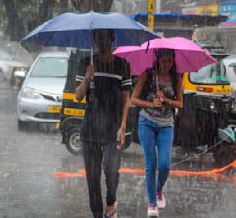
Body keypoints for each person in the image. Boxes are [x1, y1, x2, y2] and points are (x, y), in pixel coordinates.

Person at [75, 29, 131, 218]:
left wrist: (123, 126)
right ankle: (97, 215)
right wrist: (88, 76)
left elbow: (126, 97)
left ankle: (111, 202)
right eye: (99, 38)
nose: (103, 42)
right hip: (90, 129)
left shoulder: (122, 65)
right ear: (95, 40)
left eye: (106, 37)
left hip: (112, 128)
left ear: (113, 39)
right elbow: (78, 96)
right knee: (92, 178)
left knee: (112, 171)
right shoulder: (86, 63)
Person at [130, 48, 183, 217]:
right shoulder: (147, 75)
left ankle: (158, 190)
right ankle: (152, 203)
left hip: (166, 125)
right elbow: (133, 99)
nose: (167, 65)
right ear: (157, 59)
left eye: (170, 61)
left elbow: (180, 104)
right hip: (146, 122)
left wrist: (166, 100)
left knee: (165, 165)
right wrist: (151, 104)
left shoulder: (177, 78)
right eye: (164, 61)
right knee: (151, 165)